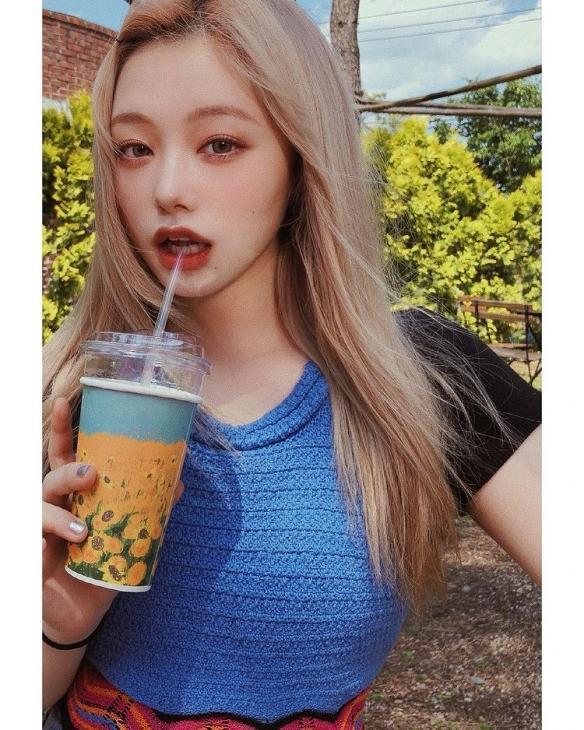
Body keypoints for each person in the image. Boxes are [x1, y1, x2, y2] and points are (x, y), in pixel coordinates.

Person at [42, 0, 541, 727]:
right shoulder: (67, 392)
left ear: (300, 159)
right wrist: (61, 615)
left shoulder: (423, 377)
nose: (167, 188)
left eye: (219, 144)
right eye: (134, 148)